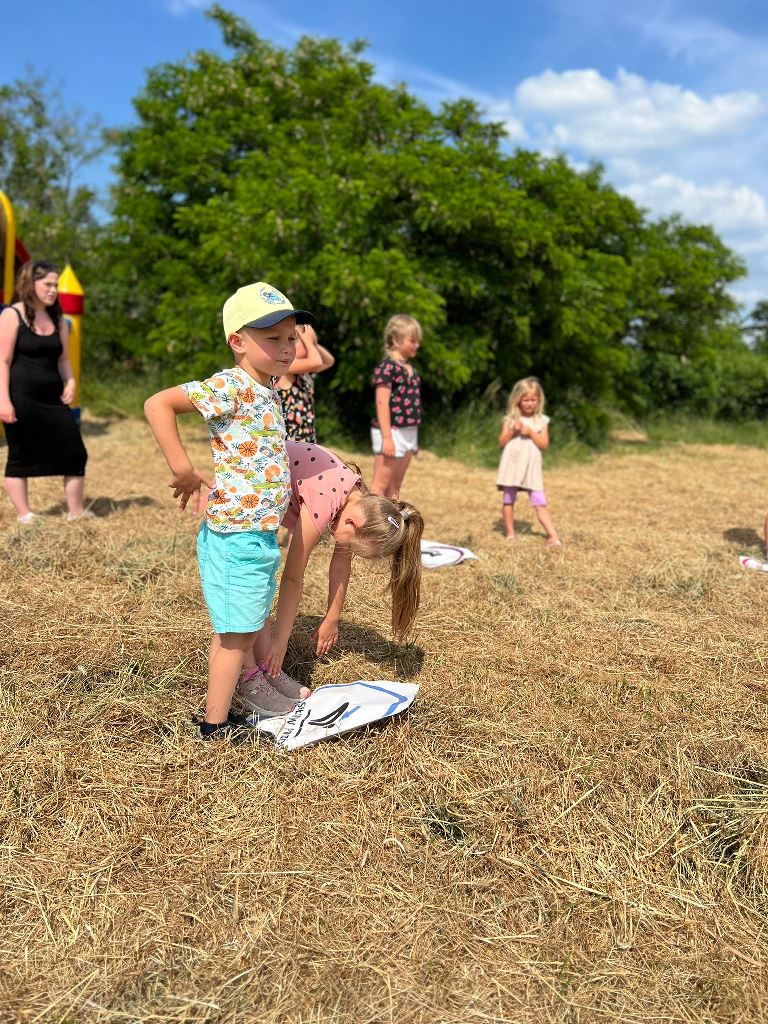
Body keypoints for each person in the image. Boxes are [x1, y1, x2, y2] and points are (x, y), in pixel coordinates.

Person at [144, 281, 315, 741]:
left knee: (253, 616)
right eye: (273, 338)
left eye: (291, 337)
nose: (286, 347)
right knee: (234, 633)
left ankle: (259, 679)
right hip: (235, 533)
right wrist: (182, 468)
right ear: (238, 342)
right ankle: (215, 725)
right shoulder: (232, 386)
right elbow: (158, 404)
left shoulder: (269, 390)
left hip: (257, 532)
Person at [236, 438, 424, 706]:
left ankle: (267, 666)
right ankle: (248, 673)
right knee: (252, 585)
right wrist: (282, 639)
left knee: (261, 586)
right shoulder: (327, 502)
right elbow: (293, 576)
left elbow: (340, 563)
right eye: (350, 544)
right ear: (353, 523)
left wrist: (332, 618)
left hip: (263, 492)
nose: (342, 546)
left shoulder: (359, 499)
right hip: (249, 482)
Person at [0, 259, 90, 523]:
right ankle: (24, 515)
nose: (53, 290)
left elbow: (63, 359)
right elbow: (2, 361)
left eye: (55, 285)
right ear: (30, 283)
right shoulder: (11, 315)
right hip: (19, 398)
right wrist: (3, 400)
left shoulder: (57, 319)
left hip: (53, 399)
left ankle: (76, 512)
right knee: (20, 454)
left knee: (75, 451)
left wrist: (71, 381)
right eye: (47, 284)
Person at [496, 377, 561, 547]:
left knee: (540, 501)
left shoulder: (541, 421)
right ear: (518, 400)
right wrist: (512, 432)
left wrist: (531, 432)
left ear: (538, 401)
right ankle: (510, 533)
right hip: (512, 465)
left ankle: (553, 536)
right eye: (526, 400)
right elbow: (501, 443)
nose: (530, 403)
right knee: (508, 499)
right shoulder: (510, 420)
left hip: (532, 468)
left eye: (533, 400)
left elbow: (544, 445)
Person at [370, 314, 422, 500]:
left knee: (395, 484)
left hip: (409, 432)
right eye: (412, 341)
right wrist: (387, 438)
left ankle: (392, 526)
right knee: (380, 486)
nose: (417, 345)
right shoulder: (387, 368)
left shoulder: (409, 368)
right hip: (392, 432)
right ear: (396, 340)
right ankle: (370, 527)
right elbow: (382, 402)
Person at [274, 322, 334, 443]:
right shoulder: (287, 367)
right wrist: (309, 342)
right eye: (304, 345)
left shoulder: (303, 373)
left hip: (306, 438)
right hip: (291, 441)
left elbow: (328, 361)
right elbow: (316, 362)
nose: (309, 350)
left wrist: (313, 343)